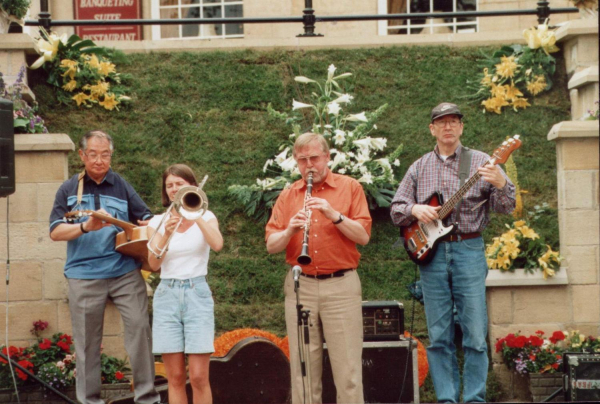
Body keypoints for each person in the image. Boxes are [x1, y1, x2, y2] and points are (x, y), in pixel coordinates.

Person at [390, 103, 516, 403]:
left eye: (454, 121)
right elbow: (396, 210)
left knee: (474, 333)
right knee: (438, 335)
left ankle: (474, 399)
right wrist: (415, 209)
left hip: (469, 249)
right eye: (441, 122)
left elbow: (506, 207)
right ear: (432, 129)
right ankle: (446, 399)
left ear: (461, 127)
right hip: (431, 255)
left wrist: (501, 184)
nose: (448, 127)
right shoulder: (419, 167)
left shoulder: (484, 162)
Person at [49, 130, 161, 404]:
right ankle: (90, 401)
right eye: (94, 155)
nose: (99, 160)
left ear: (111, 155)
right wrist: (86, 226)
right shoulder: (68, 188)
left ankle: (147, 398)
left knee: (140, 331)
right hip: (83, 275)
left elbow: (145, 217)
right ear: (82, 156)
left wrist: (149, 225)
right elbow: (55, 231)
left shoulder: (121, 184)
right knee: (87, 344)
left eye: (105, 155)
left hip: (124, 272)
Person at [265, 132, 372, 404]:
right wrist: (290, 229)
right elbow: (271, 245)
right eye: (302, 160)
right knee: (303, 374)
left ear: (327, 157)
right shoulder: (288, 194)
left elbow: (363, 236)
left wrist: (333, 215)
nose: (309, 165)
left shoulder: (350, 187)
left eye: (314, 158)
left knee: (347, 372)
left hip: (341, 286)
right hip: (301, 286)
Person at [147, 164, 223, 404]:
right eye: (169, 185)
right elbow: (154, 263)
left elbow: (217, 244)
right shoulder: (157, 221)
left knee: (199, 377)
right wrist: (166, 234)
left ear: (191, 185)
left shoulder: (207, 216)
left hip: (196, 293)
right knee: (176, 377)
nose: (173, 189)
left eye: (179, 184)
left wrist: (195, 214)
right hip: (167, 294)